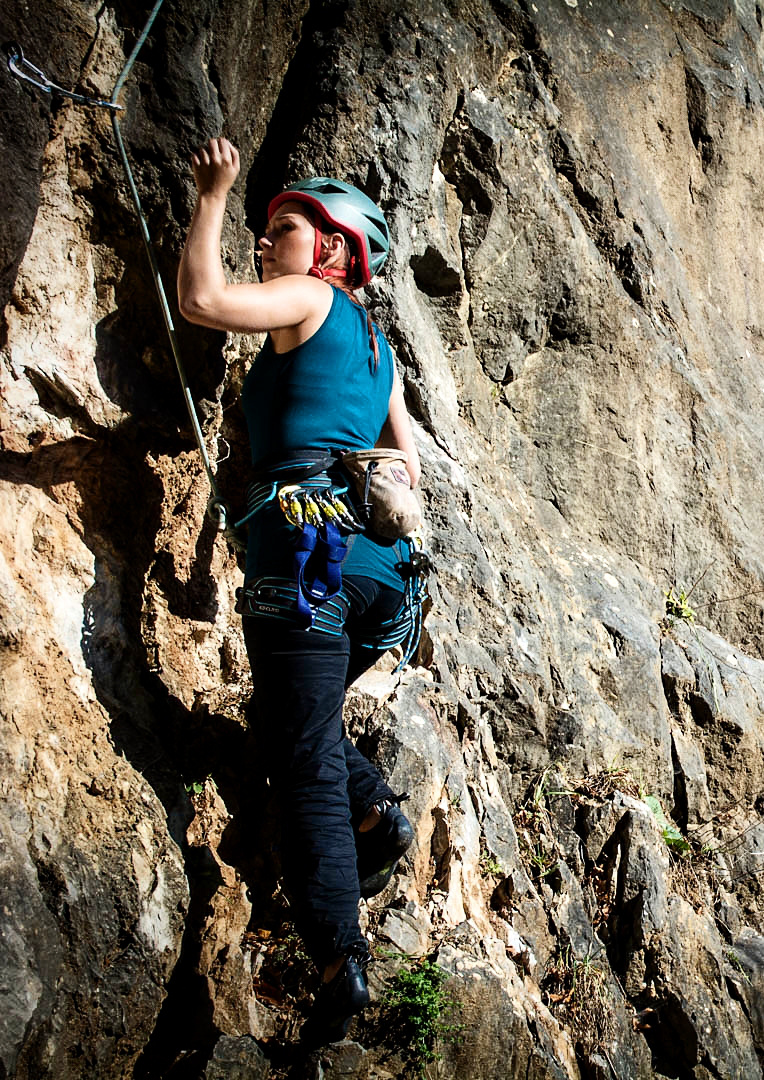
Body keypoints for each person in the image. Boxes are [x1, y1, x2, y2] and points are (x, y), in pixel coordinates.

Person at [178, 137, 420, 1042]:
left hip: (307, 545)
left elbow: (203, 300)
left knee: (303, 751)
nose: (266, 241)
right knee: (299, 721)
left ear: (329, 252)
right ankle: (379, 816)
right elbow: (407, 462)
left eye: (282, 230)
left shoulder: (310, 297)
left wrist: (212, 194)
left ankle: (337, 951)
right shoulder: (381, 351)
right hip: (372, 566)